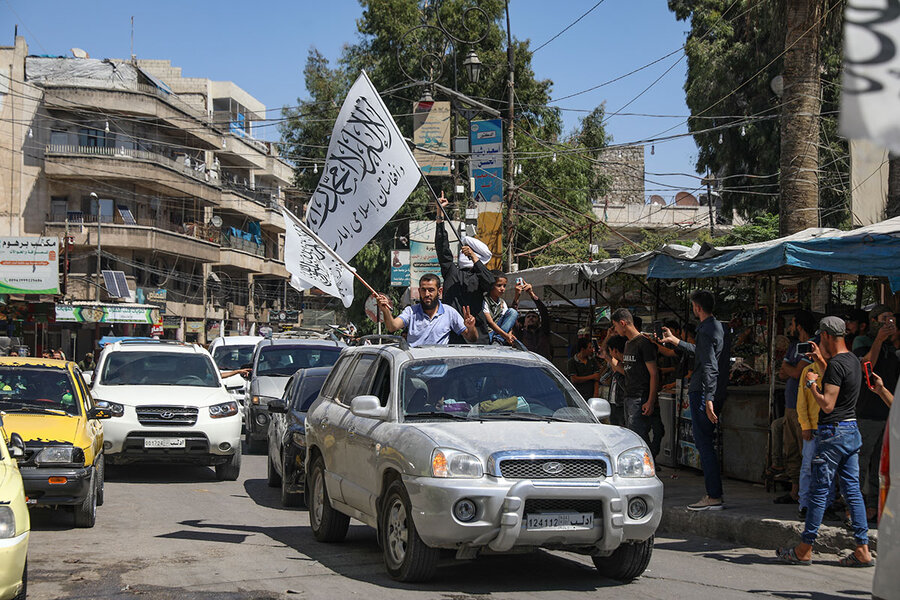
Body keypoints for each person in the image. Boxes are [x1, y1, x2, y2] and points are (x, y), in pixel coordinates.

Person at [777, 316, 873, 568]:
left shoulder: (836, 366)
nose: (819, 341)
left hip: (832, 432)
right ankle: (863, 548)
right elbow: (837, 371)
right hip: (851, 430)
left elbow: (828, 404)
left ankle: (804, 548)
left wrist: (812, 386)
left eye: (821, 337)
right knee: (852, 490)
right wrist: (821, 361)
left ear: (828, 336)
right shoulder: (851, 359)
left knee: (820, 491)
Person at [660, 290, 725, 511]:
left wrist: (708, 399)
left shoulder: (707, 329)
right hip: (705, 390)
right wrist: (676, 341)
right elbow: (701, 353)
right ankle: (714, 494)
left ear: (697, 307)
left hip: (702, 391)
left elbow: (709, 366)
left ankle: (713, 495)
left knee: (704, 443)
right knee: (705, 443)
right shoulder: (715, 327)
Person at [854, 304, 898, 520]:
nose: (889, 322)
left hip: (888, 412)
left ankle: (873, 506)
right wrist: (879, 339)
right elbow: (866, 365)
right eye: (884, 318)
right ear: (874, 321)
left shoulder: (893, 349)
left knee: (880, 465)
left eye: (892, 319)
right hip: (868, 412)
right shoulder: (863, 342)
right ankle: (856, 506)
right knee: (861, 461)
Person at [435, 195, 494, 343]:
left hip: (478, 337)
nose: (463, 253)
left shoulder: (481, 277)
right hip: (452, 337)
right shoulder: (452, 272)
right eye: (463, 250)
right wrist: (440, 216)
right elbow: (442, 249)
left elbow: (490, 282)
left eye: (467, 251)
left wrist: (474, 258)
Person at [775, 310, 816, 505]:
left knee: (804, 450)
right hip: (790, 404)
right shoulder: (794, 346)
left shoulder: (811, 345)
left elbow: (798, 373)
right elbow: (784, 373)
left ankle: (808, 495)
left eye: (792, 323)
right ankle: (795, 490)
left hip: (805, 406)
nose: (790, 328)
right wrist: (792, 370)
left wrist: (792, 370)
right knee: (790, 449)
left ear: (799, 325)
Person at [377, 274, 477, 347]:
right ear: (419, 291)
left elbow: (472, 338)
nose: (427, 294)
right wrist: (385, 310)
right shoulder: (411, 312)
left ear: (439, 291)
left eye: (431, 290)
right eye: (423, 290)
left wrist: (471, 327)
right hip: (413, 371)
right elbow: (392, 326)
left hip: (440, 372)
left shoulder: (449, 312)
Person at [610, 308, 659, 454]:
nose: (615, 329)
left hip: (640, 398)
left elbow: (654, 373)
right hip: (628, 396)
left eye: (615, 325)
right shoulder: (628, 344)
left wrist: (650, 400)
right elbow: (627, 370)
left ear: (623, 323)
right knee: (633, 435)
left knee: (639, 436)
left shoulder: (643, 343)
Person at [511, 281, 552, 359]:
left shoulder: (544, 332)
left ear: (539, 322)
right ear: (524, 323)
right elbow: (512, 316)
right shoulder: (520, 334)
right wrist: (517, 296)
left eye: (534, 316)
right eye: (528, 316)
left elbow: (544, 312)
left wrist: (531, 294)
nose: (531, 318)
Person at [482, 272, 518, 346]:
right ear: (491, 286)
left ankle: (498, 340)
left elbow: (508, 322)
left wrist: (509, 335)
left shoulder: (502, 302)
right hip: (488, 334)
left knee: (512, 312)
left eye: (504, 286)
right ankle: (499, 340)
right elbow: (490, 323)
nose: (502, 289)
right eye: (499, 285)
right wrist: (505, 336)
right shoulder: (485, 300)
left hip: (500, 334)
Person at [603, 334, 628, 426]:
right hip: (613, 402)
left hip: (623, 404)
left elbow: (625, 384)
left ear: (615, 350)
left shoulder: (627, 364)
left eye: (610, 350)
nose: (610, 354)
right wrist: (608, 334)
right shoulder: (615, 363)